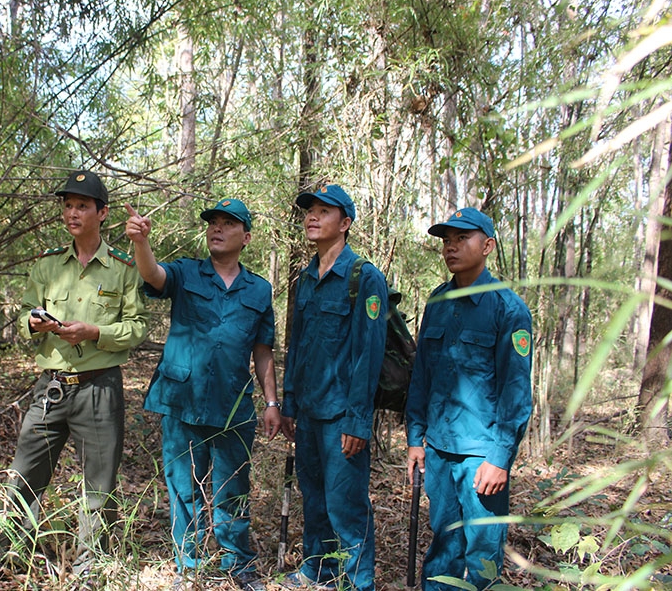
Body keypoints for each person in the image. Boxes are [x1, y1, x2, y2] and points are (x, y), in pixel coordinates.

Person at [125, 198, 281, 591]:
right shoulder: (186, 272)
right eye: (213, 222)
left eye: (229, 224)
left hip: (233, 407)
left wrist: (272, 403)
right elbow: (155, 276)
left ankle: (238, 564)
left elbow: (263, 351)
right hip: (182, 401)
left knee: (233, 492)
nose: (218, 228)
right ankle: (189, 566)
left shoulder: (259, 290)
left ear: (245, 237)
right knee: (184, 491)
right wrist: (141, 243)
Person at [0, 170, 148, 578]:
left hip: (99, 388)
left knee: (99, 485)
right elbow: (23, 314)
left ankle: (90, 568)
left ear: (102, 213)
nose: (72, 213)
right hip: (50, 387)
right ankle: (10, 558)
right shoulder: (49, 265)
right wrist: (33, 322)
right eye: (67, 205)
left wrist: (95, 332)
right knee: (25, 475)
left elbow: (137, 327)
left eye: (82, 205)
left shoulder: (121, 267)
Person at [405, 208, 533, 590]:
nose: (452, 246)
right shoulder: (437, 302)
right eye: (447, 240)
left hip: (482, 455)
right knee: (444, 543)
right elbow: (422, 376)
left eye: (463, 238)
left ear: (488, 245)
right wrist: (415, 437)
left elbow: (516, 391)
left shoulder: (508, 309)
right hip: (440, 448)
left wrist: (499, 458)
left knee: (482, 554)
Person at [279, 184, 388, 591]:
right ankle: (317, 570)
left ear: (344, 224)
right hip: (308, 412)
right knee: (315, 498)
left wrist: (359, 421)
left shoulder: (364, 278)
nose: (313, 216)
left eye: (324, 211)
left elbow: (368, 355)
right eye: (310, 210)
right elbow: (298, 344)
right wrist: (289, 402)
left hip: (343, 415)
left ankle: (358, 582)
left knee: (346, 506)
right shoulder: (306, 278)